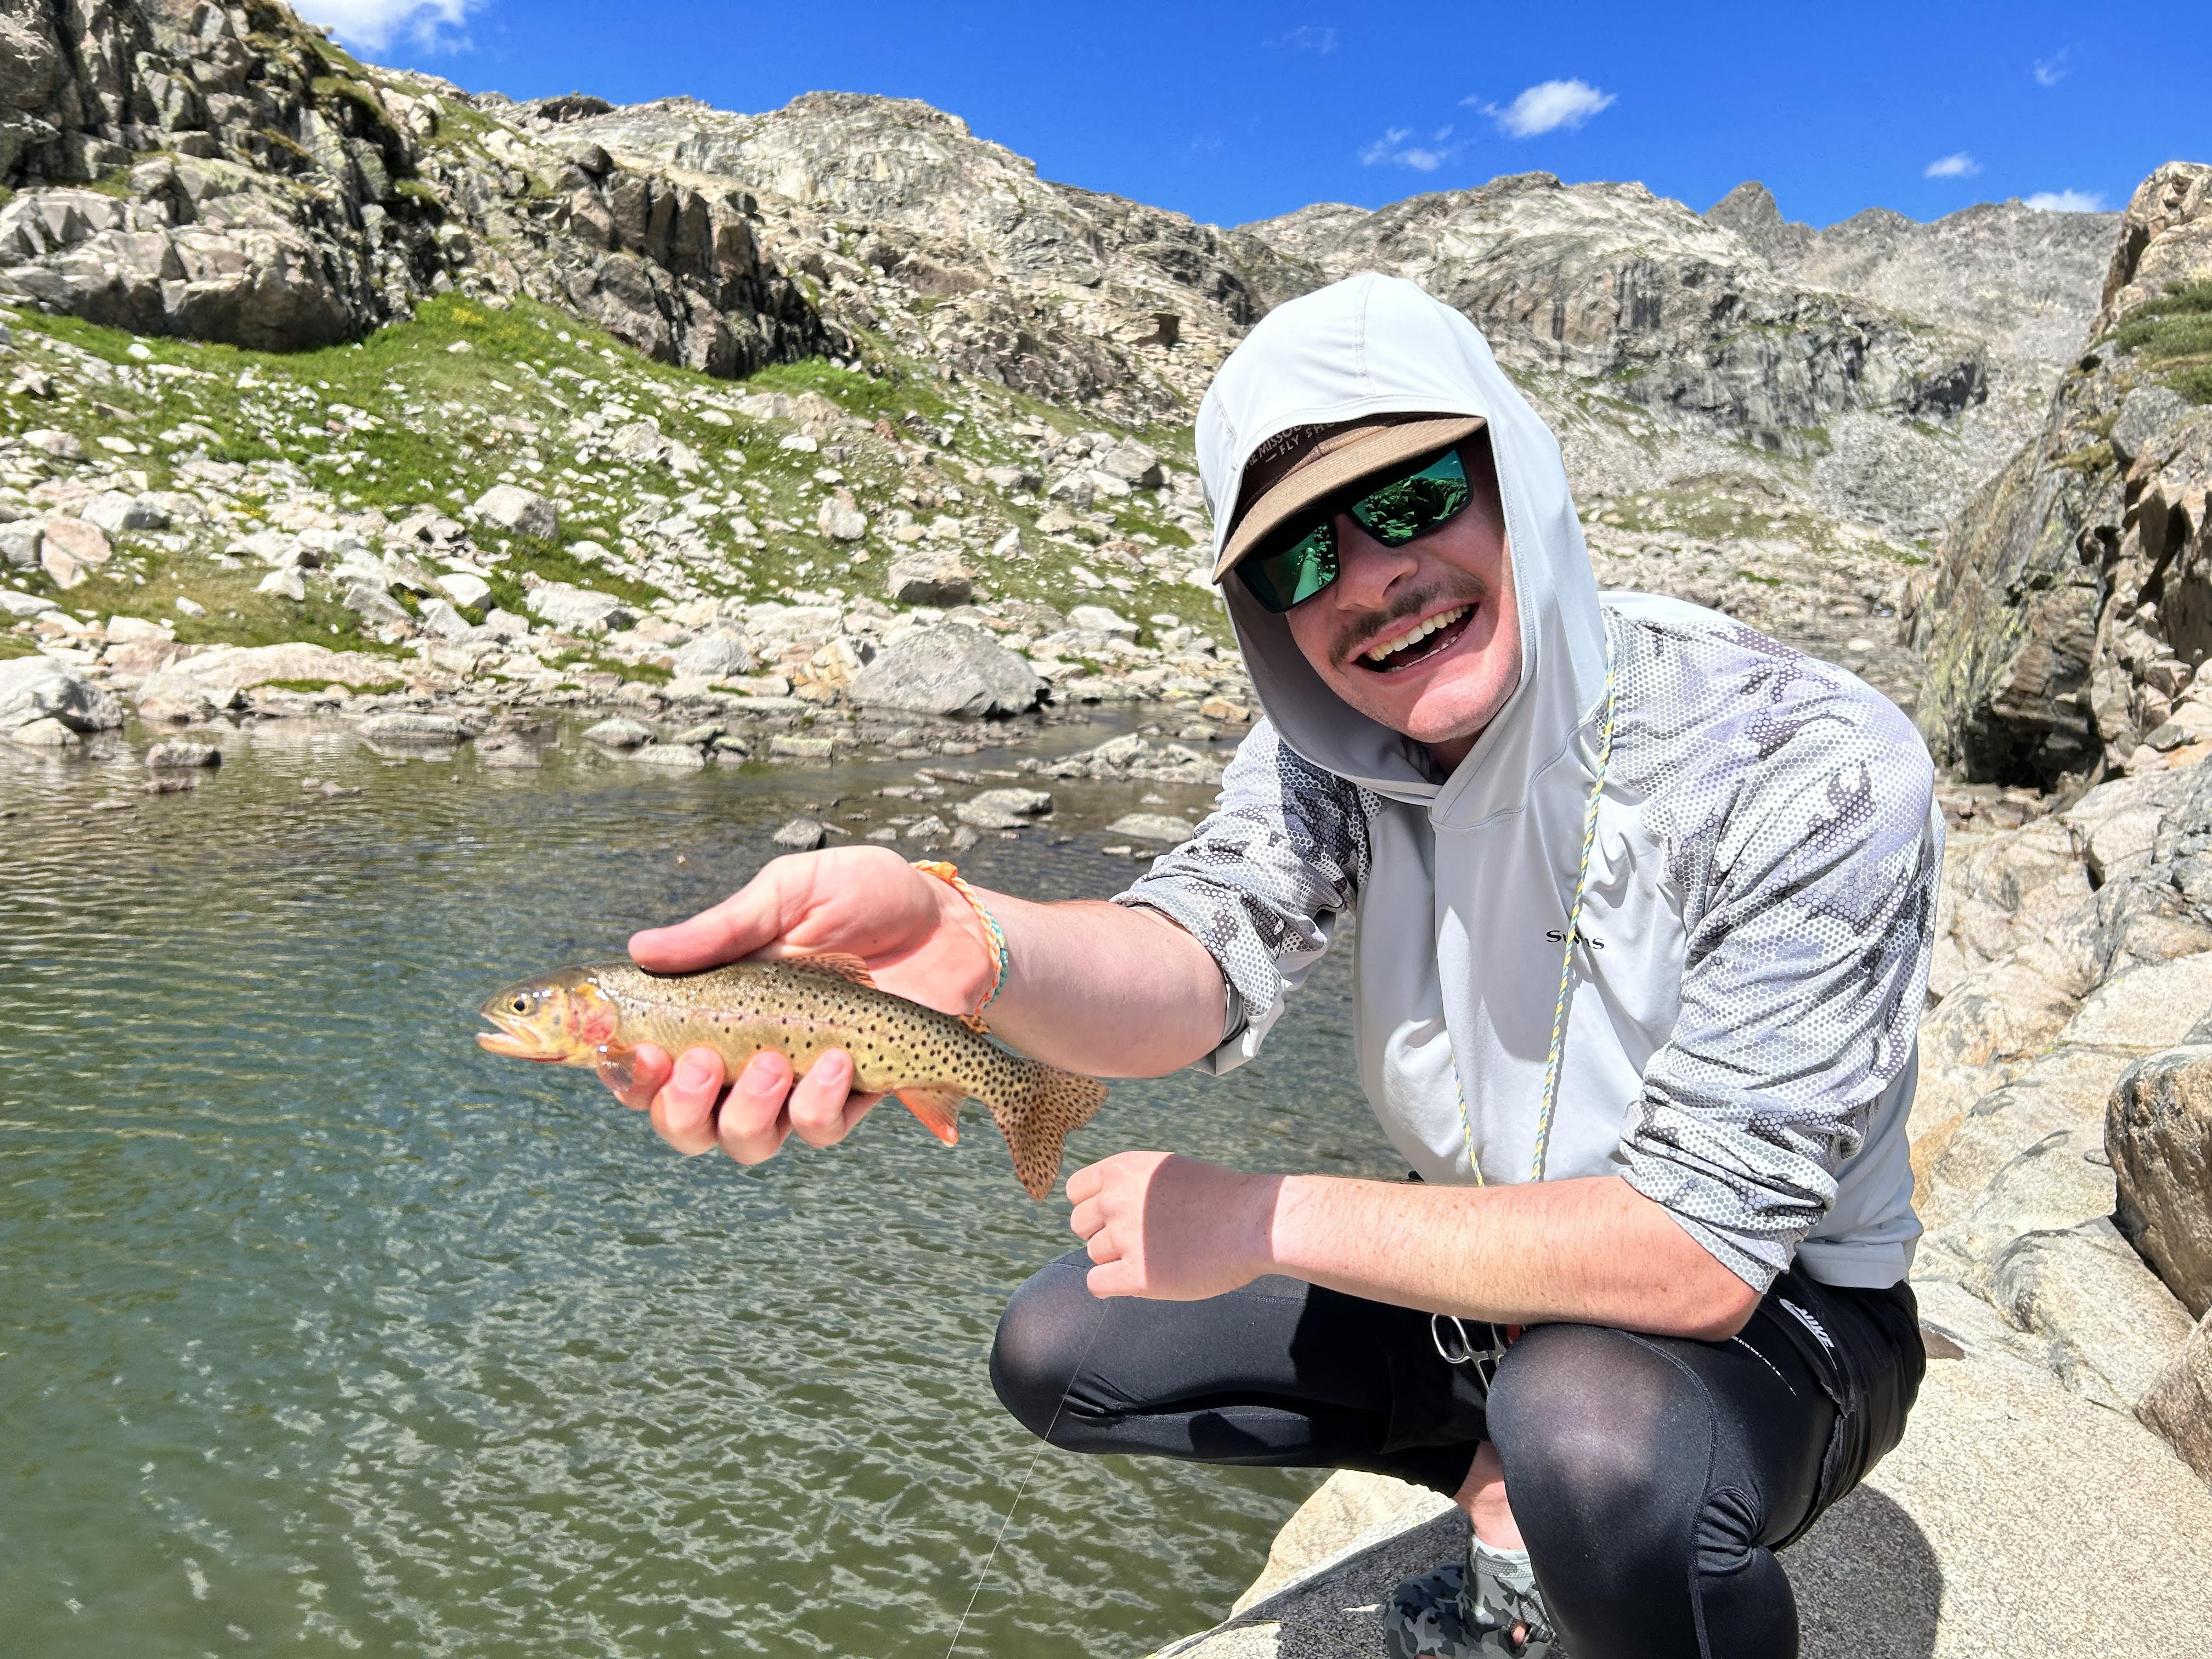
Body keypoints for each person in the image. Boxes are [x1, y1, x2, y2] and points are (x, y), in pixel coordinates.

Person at [600, 274, 1939, 1659]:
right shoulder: (1331, 752)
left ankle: (1568, 1499)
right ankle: (1508, 1470)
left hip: (1784, 1314)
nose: (1367, 577)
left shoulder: (1808, 763)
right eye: (1298, 558)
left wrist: (1256, 1219)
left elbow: (1698, 1254)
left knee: (1590, 1438)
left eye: (1413, 500)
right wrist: (972, 943)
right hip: (1485, 1293)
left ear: (1514, 477)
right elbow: (1192, 955)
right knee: (1066, 1348)